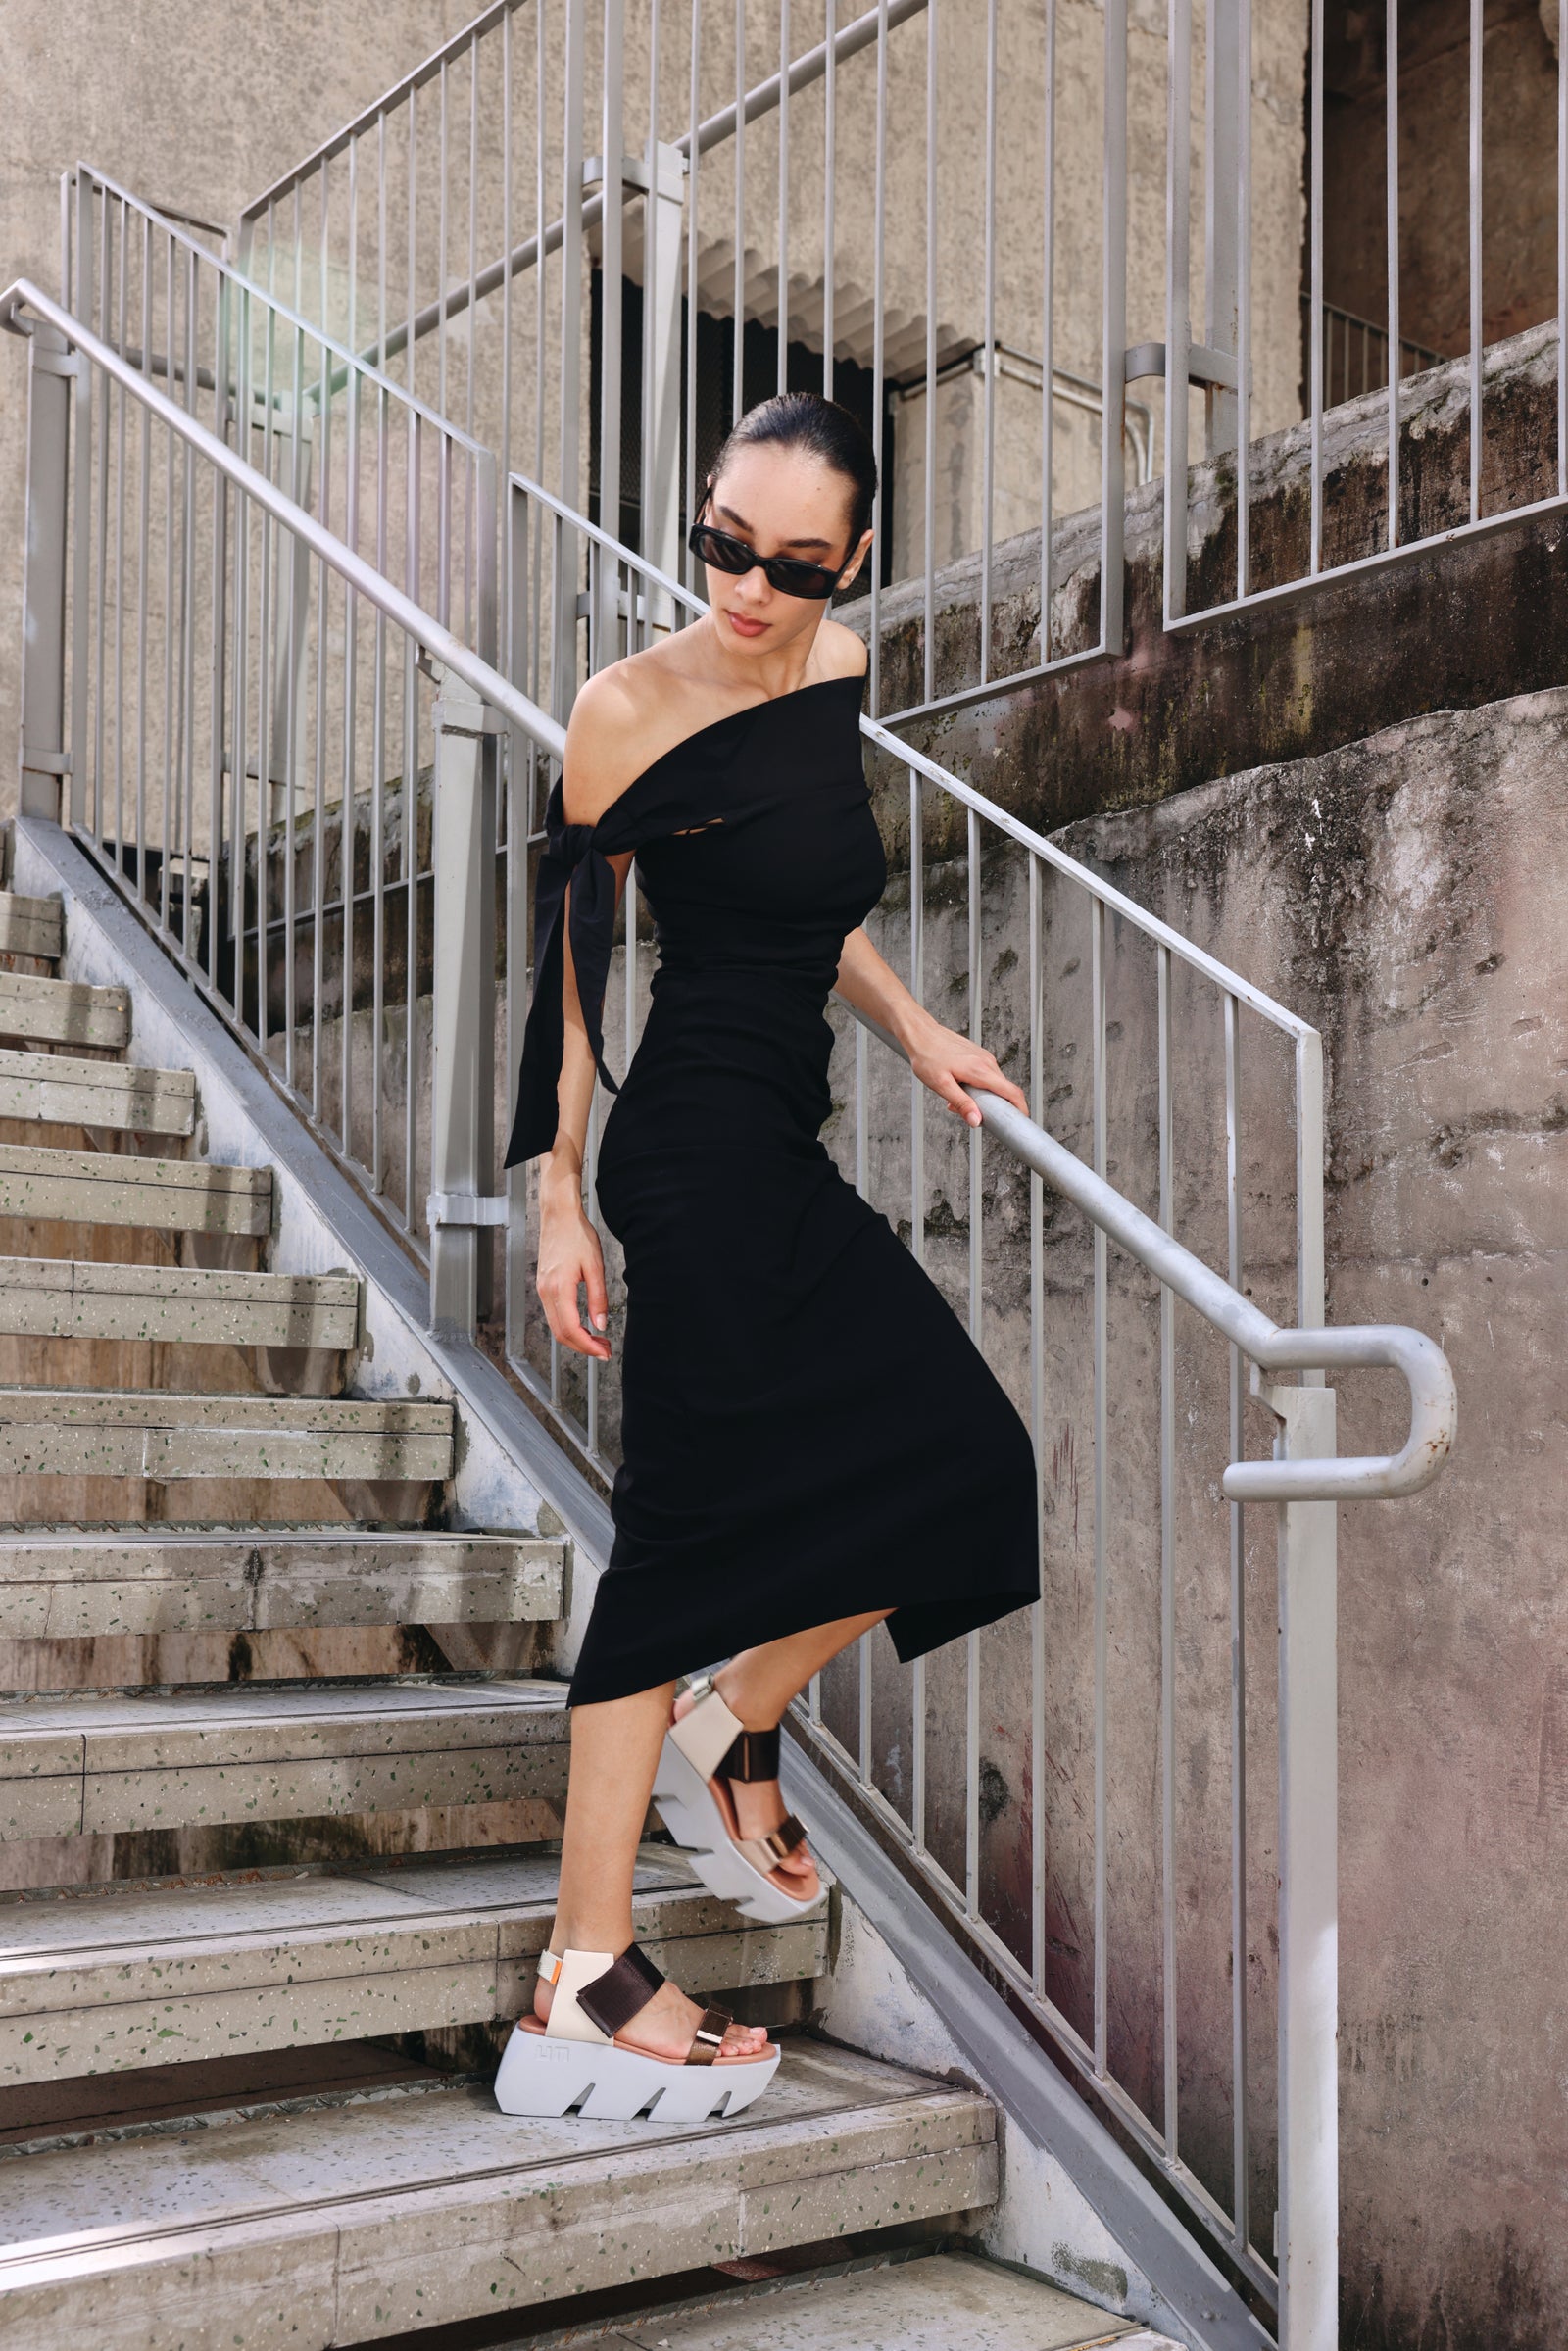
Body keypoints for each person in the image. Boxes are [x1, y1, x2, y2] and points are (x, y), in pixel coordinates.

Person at [492, 391, 1040, 2124]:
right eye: (724, 546)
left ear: (852, 560)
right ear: (701, 516)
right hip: (689, 1160)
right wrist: (557, 1194)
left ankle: (734, 1721)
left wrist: (919, 1028)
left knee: (969, 1465)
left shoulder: (836, 671)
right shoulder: (626, 710)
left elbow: (812, 893)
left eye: (795, 564)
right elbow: (572, 972)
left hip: (781, 1149)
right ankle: (583, 1973)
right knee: (678, 1537)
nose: (748, 589)